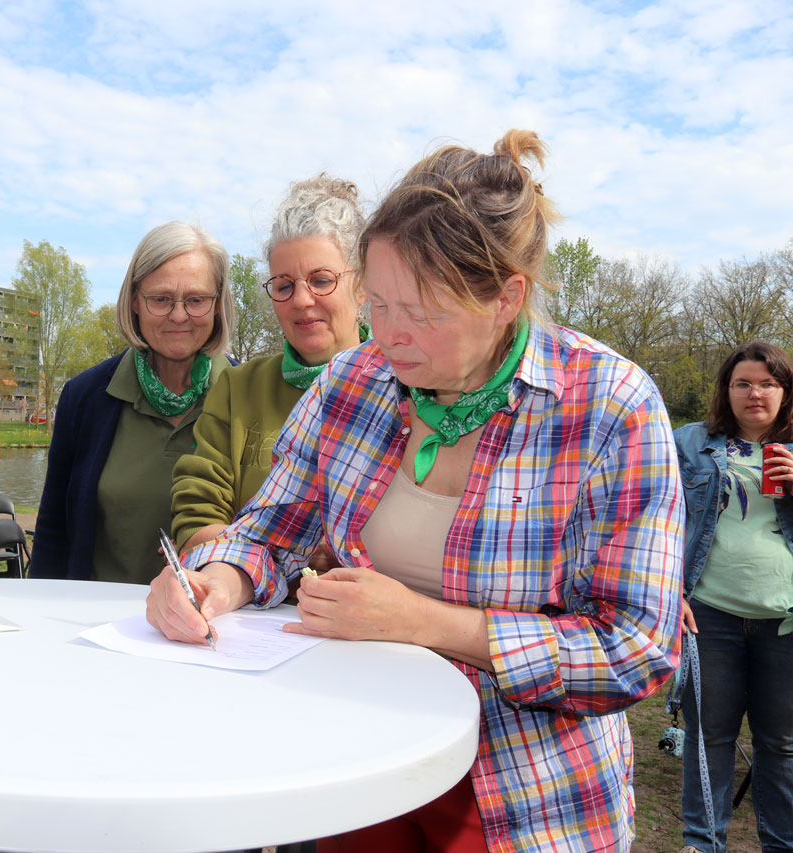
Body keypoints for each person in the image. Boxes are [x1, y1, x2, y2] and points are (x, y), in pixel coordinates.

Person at [146, 131, 683, 852]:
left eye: (423, 312)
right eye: (380, 303)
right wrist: (217, 579)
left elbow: (636, 647)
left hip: (530, 793)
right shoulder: (351, 380)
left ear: (505, 298)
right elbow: (269, 530)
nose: (388, 338)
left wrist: (429, 622)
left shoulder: (611, 407)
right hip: (360, 761)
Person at [171, 173, 366, 552]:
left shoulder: (412, 386)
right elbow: (195, 522)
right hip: (249, 607)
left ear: (362, 284)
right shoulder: (238, 388)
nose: (302, 300)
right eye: (284, 285)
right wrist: (301, 559)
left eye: (321, 280)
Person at [33, 221, 234, 583]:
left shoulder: (245, 396)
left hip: (220, 628)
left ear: (218, 305)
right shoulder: (84, 398)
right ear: (133, 302)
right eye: (160, 299)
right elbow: (53, 530)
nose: (178, 315)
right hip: (99, 626)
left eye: (196, 299)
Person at [675, 341, 793, 853]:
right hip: (708, 616)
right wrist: (669, 592)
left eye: (768, 383)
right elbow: (653, 521)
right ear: (727, 390)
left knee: (782, 746)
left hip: (786, 622)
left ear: (785, 392)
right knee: (709, 740)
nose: (755, 393)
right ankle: (703, 844)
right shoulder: (689, 443)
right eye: (743, 382)